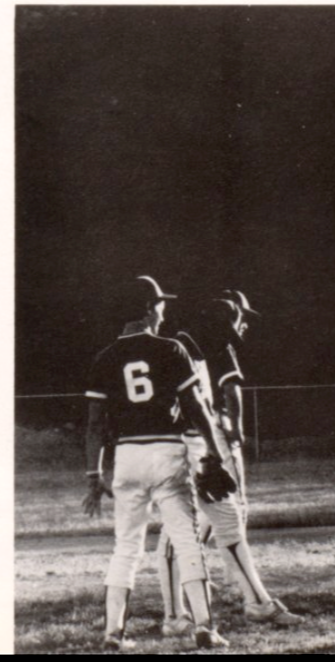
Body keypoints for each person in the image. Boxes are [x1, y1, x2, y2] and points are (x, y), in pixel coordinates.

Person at [82, 276, 231, 650]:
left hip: (127, 457)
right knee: (186, 541)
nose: (163, 309)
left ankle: (113, 634)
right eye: (160, 303)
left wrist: (93, 476)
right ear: (148, 308)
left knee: (125, 546)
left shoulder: (104, 357)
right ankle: (204, 628)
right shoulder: (171, 349)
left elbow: (95, 426)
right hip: (167, 452)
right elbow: (196, 407)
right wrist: (215, 452)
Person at [157, 291, 303, 634]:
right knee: (179, 533)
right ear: (213, 327)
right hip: (180, 450)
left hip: (197, 449)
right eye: (226, 332)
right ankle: (177, 616)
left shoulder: (198, 348)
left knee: (223, 523)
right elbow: (181, 411)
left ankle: (253, 604)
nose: (228, 342)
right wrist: (207, 453)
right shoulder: (179, 350)